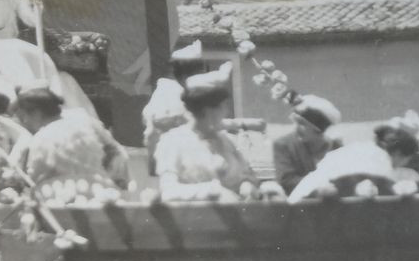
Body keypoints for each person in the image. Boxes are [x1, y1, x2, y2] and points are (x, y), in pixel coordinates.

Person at [152, 64, 255, 200]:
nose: (226, 112)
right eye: (222, 107)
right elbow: (168, 191)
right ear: (207, 111)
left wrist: (247, 184)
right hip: (194, 218)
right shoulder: (173, 141)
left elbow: (247, 175)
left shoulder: (227, 141)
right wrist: (211, 192)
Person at [9, 82, 128, 188]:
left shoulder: (43, 137)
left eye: (24, 116)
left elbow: (33, 179)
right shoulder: (83, 119)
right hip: (98, 190)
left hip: (74, 196)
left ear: (37, 113)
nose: (24, 122)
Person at [142, 40, 207, 167]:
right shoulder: (169, 91)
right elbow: (156, 121)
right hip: (169, 158)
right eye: (198, 71)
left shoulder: (185, 92)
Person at [272, 93, 341, 193]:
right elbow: (287, 181)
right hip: (298, 205)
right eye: (296, 122)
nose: (297, 128)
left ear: (319, 131)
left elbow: (345, 177)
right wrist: (317, 187)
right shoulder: (283, 145)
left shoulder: (335, 146)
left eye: (302, 124)